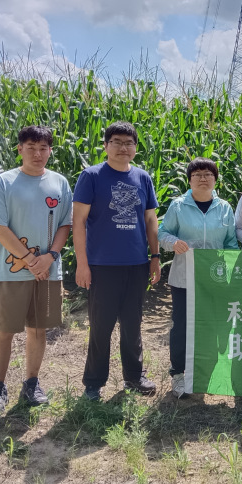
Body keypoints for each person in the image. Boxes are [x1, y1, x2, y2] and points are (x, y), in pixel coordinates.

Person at [0, 125, 72, 415]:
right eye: (31, 147)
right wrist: (31, 260)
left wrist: (50, 257)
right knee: (4, 330)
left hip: (48, 271)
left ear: (50, 151)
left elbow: (65, 225)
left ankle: (31, 383)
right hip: (11, 271)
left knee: (38, 329)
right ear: (20, 149)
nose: (37, 154)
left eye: (43, 148)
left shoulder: (59, 183)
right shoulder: (5, 182)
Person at [73, 121, 162, 401]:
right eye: (117, 142)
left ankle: (134, 377)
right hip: (102, 265)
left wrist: (155, 257)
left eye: (129, 143)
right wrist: (82, 263)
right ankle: (93, 383)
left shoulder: (142, 178)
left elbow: (150, 220)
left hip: (136, 264)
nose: (124, 148)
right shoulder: (91, 176)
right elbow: (78, 222)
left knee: (133, 324)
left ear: (135, 147)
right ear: (106, 146)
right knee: (101, 326)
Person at [158, 158, 238, 398]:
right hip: (184, 277)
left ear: (215, 179)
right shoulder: (178, 206)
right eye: (197, 174)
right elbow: (163, 233)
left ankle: (205, 374)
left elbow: (231, 242)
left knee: (211, 326)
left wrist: (229, 264)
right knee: (182, 326)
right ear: (189, 179)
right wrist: (174, 242)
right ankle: (178, 374)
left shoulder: (224, 208)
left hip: (215, 279)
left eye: (208, 174)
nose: (203, 178)